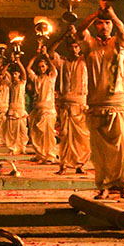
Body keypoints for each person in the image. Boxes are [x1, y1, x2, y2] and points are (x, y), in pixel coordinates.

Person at [77, 1, 124, 199]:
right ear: (95, 26)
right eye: (100, 23)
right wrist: (96, 14)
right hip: (96, 104)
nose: (104, 26)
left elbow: (123, 33)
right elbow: (79, 31)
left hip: (117, 103)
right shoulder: (89, 44)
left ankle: (122, 184)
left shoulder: (118, 42)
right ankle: (103, 186)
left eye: (107, 23)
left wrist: (113, 15)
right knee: (99, 151)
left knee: (123, 148)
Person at [49, 29, 90, 175]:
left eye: (76, 47)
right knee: (65, 136)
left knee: (82, 138)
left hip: (81, 103)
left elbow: (89, 47)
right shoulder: (62, 62)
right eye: (71, 47)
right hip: (66, 104)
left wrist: (77, 36)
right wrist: (62, 36)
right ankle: (64, 165)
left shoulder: (85, 60)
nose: (74, 49)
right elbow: (50, 52)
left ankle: (80, 165)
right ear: (67, 48)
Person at [27, 49, 58, 164]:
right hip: (37, 109)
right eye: (39, 67)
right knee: (36, 134)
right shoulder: (36, 79)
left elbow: (54, 69)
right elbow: (28, 69)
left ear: (46, 67)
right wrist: (35, 55)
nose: (41, 69)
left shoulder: (51, 78)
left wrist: (46, 55)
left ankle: (50, 155)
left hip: (48, 109)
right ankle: (40, 154)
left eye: (43, 66)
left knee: (48, 134)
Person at [3, 58, 29, 156]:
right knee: (12, 130)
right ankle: (12, 148)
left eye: (16, 74)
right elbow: (3, 73)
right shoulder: (10, 85)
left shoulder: (22, 83)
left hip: (20, 109)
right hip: (12, 108)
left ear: (18, 75)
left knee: (22, 130)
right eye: (13, 74)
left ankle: (22, 147)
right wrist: (8, 63)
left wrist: (19, 61)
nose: (14, 75)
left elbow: (24, 73)